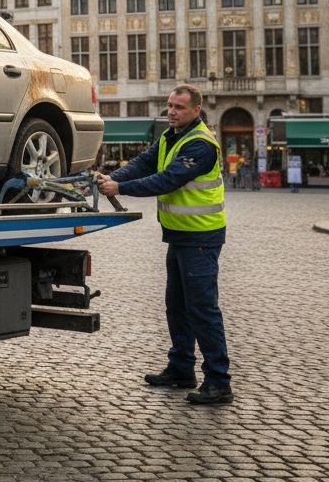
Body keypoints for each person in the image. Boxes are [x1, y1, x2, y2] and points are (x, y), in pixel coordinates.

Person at [96, 84, 233, 405]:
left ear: (196, 111)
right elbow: (144, 162)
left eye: (179, 107)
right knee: (177, 306)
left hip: (201, 237)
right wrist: (114, 177)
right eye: (170, 106)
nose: (171, 112)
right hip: (180, 236)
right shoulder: (172, 136)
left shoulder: (201, 144)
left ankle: (219, 381)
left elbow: (167, 179)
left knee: (202, 309)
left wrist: (121, 186)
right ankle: (181, 368)